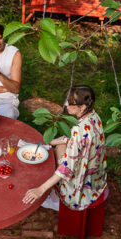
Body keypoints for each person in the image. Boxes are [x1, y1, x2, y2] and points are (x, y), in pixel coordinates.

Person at [22, 84, 107, 213]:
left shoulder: (79, 131)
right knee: (60, 146)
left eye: (70, 103)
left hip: (81, 184)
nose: (66, 104)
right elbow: (76, 139)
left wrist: (40, 189)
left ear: (82, 107)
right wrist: (50, 142)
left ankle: (56, 199)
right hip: (96, 175)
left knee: (56, 156)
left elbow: (67, 168)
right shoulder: (93, 116)